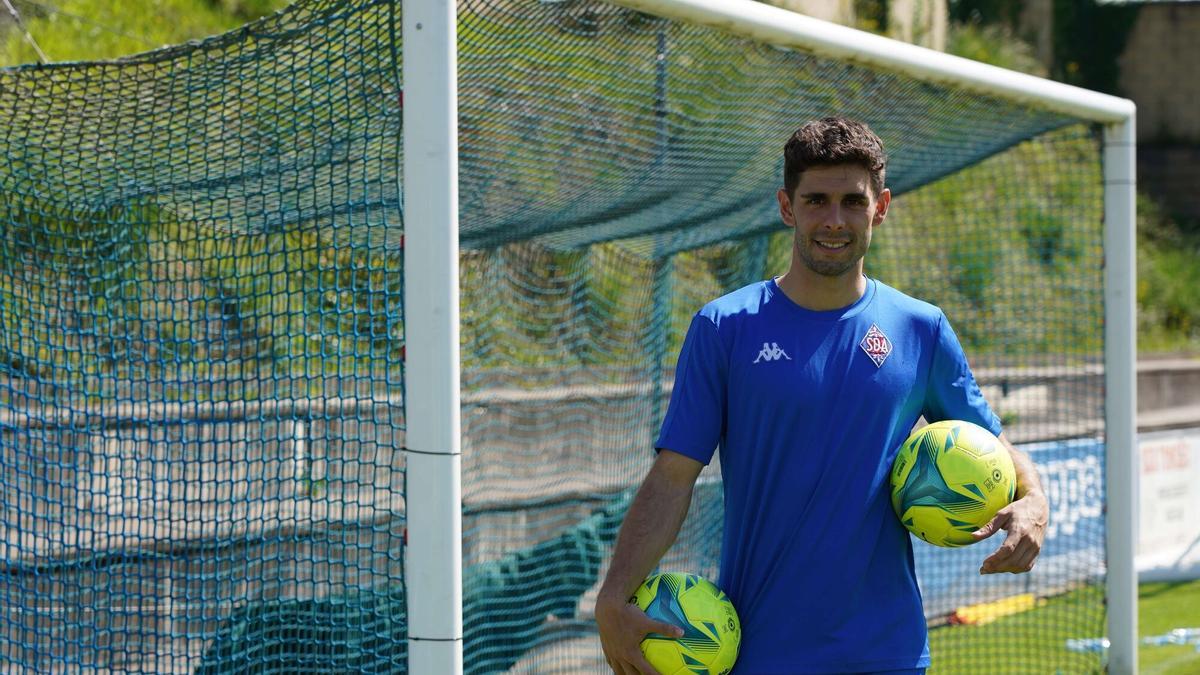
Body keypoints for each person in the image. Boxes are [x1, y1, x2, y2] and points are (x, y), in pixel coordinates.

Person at [595, 117, 1049, 675]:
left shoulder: (921, 329)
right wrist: (613, 597)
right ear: (787, 207)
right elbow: (672, 477)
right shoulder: (725, 328)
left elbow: (997, 447)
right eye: (816, 201)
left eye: (852, 202)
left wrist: (1034, 499)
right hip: (761, 650)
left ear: (880, 208)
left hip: (887, 651)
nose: (834, 220)